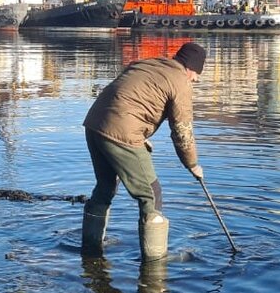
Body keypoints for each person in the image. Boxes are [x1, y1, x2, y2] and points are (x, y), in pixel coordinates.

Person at [82, 41, 206, 261]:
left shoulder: (147, 64)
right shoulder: (180, 82)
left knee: (105, 187)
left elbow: (128, 99)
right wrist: (192, 164)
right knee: (151, 194)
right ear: (190, 68)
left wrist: (140, 139)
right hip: (122, 133)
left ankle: (91, 249)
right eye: (197, 74)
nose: (196, 80)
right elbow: (182, 131)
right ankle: (155, 261)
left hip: (94, 125)